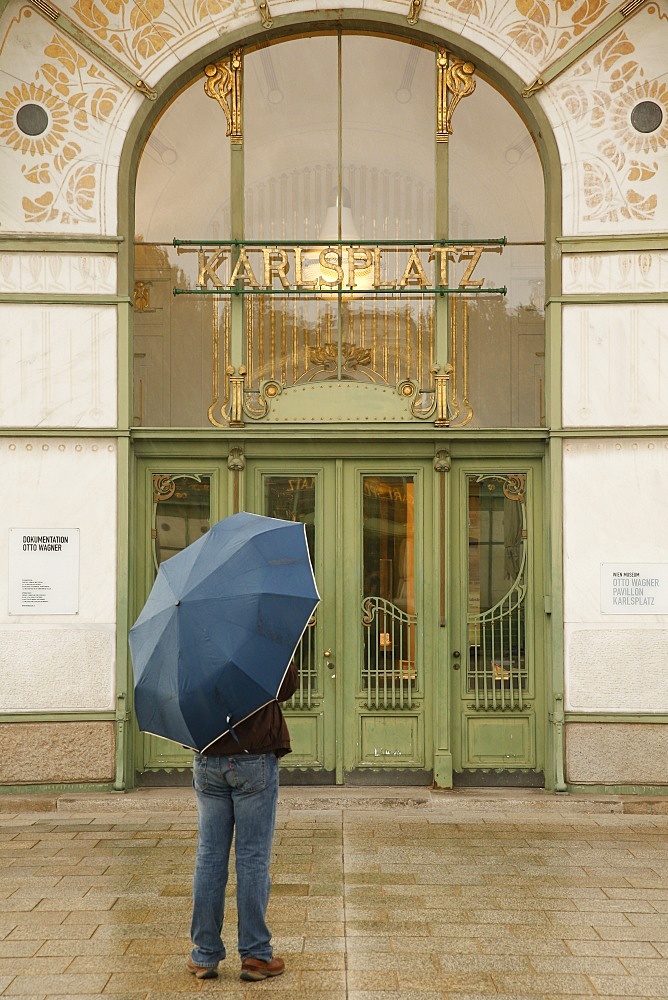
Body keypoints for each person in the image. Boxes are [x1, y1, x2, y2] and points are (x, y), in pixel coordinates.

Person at [186, 660, 298, 982]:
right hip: (254, 753)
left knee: (209, 856)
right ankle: (255, 955)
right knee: (252, 857)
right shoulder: (259, 630)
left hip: (208, 755)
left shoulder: (193, 639)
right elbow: (286, 687)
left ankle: (205, 954)